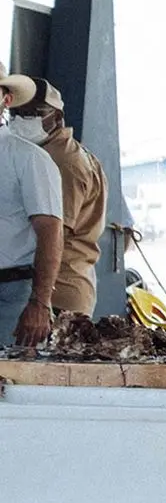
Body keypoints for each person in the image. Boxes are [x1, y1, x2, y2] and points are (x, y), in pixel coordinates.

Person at [1, 76, 104, 317]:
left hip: (59, 288)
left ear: (56, 117)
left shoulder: (62, 162)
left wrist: (40, 300)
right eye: (17, 112)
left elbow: (53, 232)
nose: (22, 119)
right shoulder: (62, 154)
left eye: (33, 113)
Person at [0, 81, 62, 345]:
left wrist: (40, 302)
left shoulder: (28, 157)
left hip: (11, 292)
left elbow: (50, 230)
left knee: (8, 376)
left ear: (6, 100)